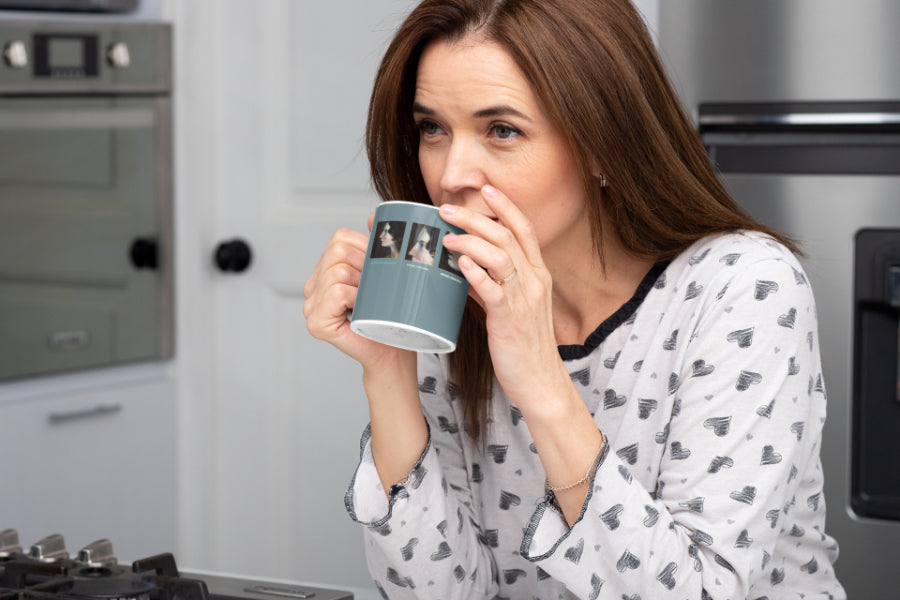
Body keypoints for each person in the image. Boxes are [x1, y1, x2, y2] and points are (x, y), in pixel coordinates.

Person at [302, 0, 846, 598]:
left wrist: (539, 377)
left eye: (501, 130)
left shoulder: (743, 287)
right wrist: (387, 374)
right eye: (433, 128)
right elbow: (441, 591)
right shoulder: (456, 293)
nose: (452, 172)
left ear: (601, 144)